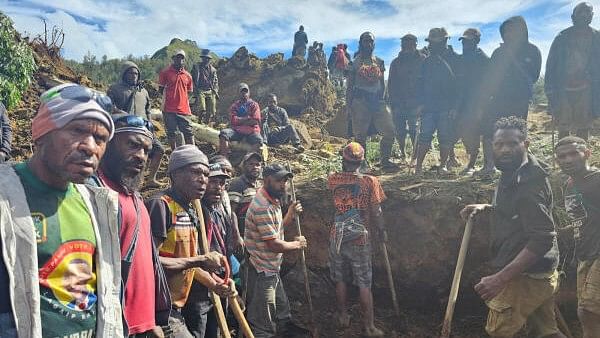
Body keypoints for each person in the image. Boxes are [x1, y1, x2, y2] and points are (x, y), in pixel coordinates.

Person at [0, 83, 123, 337]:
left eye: (100, 139)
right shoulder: (5, 197)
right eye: (77, 130)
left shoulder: (100, 206)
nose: (90, 147)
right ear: (42, 133)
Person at [461, 117, 565, 338]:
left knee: (498, 331)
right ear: (492, 146)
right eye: (499, 145)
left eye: (512, 144)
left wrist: (500, 278)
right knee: (546, 332)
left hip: (526, 276)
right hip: (539, 272)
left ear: (525, 144)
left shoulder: (528, 187)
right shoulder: (515, 171)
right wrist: (488, 206)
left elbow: (542, 238)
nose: (504, 150)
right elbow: (518, 213)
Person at [93, 114, 170, 337]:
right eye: (133, 145)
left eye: (146, 151)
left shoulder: (134, 196)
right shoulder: (95, 193)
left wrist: (152, 318)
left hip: (143, 325)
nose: (141, 157)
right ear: (108, 143)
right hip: (115, 325)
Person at [146, 145, 234, 338]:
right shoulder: (161, 206)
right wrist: (198, 260)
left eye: (205, 173)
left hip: (177, 308)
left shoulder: (190, 210)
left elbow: (189, 261)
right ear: (175, 174)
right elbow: (149, 263)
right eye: (195, 172)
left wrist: (214, 284)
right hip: (158, 310)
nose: (203, 180)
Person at [244, 164, 310, 337]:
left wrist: (290, 214)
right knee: (262, 320)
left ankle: (285, 328)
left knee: (282, 309)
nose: (283, 185)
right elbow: (274, 244)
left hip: (272, 268)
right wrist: (297, 244)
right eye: (279, 181)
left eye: (285, 181)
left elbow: (277, 227)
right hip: (262, 270)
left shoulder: (273, 198)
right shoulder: (262, 206)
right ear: (267, 180)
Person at [328, 142, 385, 337]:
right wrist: (382, 231)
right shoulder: (370, 181)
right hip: (360, 238)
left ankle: (343, 316)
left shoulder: (333, 179)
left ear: (343, 160)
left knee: (341, 279)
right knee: (364, 283)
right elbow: (377, 211)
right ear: (362, 161)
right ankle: (369, 328)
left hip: (337, 235)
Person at [182, 162, 242, 338]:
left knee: (215, 331)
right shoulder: (193, 212)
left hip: (219, 284)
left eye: (222, 184)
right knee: (198, 331)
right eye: (214, 182)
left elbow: (226, 250)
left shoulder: (221, 212)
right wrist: (215, 281)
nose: (218, 188)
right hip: (199, 287)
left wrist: (227, 280)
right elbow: (193, 255)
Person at [478, 16, 541, 176]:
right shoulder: (499, 52)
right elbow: (489, 77)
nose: (509, 34)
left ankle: (516, 165)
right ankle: (489, 166)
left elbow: (533, 76)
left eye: (513, 30)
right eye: (506, 31)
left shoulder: (532, 51)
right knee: (489, 131)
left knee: (515, 133)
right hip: (497, 99)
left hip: (519, 100)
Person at [554, 136, 600, 337]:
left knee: (588, 310)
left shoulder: (597, 180)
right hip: (585, 254)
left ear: (587, 153)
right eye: (562, 156)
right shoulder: (569, 185)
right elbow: (581, 219)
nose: (567, 159)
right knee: (586, 311)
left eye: (573, 153)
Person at [545, 2, 600, 141]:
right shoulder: (561, 37)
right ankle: (563, 157)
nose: (583, 16)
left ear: (592, 16)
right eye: (580, 13)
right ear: (572, 16)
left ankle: (581, 158)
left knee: (583, 127)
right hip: (563, 89)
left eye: (587, 13)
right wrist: (550, 91)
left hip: (587, 89)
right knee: (563, 127)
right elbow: (551, 66)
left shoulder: (597, 37)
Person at [107, 61, 165, 188]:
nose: (134, 76)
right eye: (130, 73)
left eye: (136, 73)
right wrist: (123, 115)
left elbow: (148, 109)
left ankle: (150, 179)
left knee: (159, 149)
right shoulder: (115, 89)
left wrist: (150, 124)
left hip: (144, 130)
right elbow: (109, 107)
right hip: (124, 129)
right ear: (124, 74)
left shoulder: (143, 91)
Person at [414, 28, 461, 175]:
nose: (432, 45)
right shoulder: (426, 62)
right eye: (431, 42)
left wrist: (455, 106)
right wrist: (420, 103)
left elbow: (459, 87)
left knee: (445, 137)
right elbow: (420, 84)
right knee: (425, 136)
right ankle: (418, 167)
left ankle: (443, 166)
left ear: (445, 41)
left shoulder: (455, 60)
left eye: (436, 42)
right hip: (428, 106)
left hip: (446, 107)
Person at [346, 32, 397, 170]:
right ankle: (362, 163)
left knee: (390, 131)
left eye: (370, 41)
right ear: (361, 43)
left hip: (377, 101)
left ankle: (385, 161)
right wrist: (348, 106)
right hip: (360, 102)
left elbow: (382, 83)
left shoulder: (379, 62)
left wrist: (384, 100)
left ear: (373, 44)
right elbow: (349, 85)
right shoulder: (354, 63)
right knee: (360, 136)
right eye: (365, 41)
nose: (368, 44)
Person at [455, 28, 490, 175]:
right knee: (465, 132)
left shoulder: (483, 59)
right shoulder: (461, 59)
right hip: (463, 102)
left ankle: (478, 164)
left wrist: (482, 104)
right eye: (463, 41)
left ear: (476, 41)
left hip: (478, 102)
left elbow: (489, 83)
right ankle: (472, 162)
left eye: (468, 41)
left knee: (478, 132)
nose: (465, 44)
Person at [387, 34, 425, 165]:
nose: (407, 47)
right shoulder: (396, 63)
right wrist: (392, 103)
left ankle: (415, 157)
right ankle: (403, 153)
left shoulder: (423, 61)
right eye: (405, 44)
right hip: (399, 103)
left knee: (414, 130)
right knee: (400, 130)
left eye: (410, 44)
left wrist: (423, 103)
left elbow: (427, 83)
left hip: (416, 103)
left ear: (415, 45)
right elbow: (391, 84)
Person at [159, 49, 195, 151]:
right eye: (178, 57)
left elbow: (189, 91)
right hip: (168, 109)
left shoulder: (188, 76)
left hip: (184, 110)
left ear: (184, 60)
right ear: (173, 58)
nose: (180, 60)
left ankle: (193, 153)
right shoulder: (165, 73)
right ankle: (174, 153)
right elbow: (161, 89)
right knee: (172, 132)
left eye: (182, 58)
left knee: (188, 132)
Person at [219, 83, 263, 156]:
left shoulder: (254, 105)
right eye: (242, 91)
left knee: (259, 140)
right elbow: (233, 120)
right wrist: (247, 118)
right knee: (223, 134)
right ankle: (224, 159)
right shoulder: (234, 106)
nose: (244, 93)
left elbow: (255, 121)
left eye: (246, 91)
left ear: (249, 93)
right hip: (237, 131)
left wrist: (239, 121)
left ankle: (248, 160)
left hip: (251, 131)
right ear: (238, 93)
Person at [229, 152, 263, 235]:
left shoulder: (261, 185)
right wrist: (237, 235)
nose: (255, 167)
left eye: (257, 165)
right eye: (251, 164)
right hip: (244, 233)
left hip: (259, 232)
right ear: (244, 166)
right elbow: (232, 212)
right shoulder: (237, 184)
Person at [191, 49, 219, 124]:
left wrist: (215, 90)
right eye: (204, 58)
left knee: (211, 110)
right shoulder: (196, 67)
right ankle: (199, 122)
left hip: (210, 90)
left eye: (207, 58)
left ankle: (207, 123)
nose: (206, 60)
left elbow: (216, 81)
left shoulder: (213, 70)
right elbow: (192, 78)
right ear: (202, 58)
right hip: (200, 90)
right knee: (202, 108)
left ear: (209, 59)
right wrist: (194, 89)